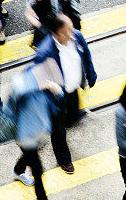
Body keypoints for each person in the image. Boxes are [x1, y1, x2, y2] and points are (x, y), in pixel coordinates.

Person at [32, 14, 97, 174]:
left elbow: (86, 55)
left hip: (72, 89)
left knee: (73, 114)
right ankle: (64, 160)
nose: (71, 34)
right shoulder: (45, 52)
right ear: (55, 34)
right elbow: (36, 77)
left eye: (71, 28)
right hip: (55, 97)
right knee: (58, 130)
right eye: (66, 31)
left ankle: (70, 117)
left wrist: (91, 74)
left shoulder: (77, 36)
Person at [8, 60, 64, 200]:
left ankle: (18, 171)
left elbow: (60, 101)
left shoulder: (45, 88)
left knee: (28, 157)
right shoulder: (22, 84)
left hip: (38, 132)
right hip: (24, 135)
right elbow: (17, 90)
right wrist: (37, 85)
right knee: (38, 170)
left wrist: (57, 90)